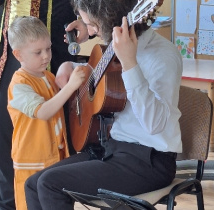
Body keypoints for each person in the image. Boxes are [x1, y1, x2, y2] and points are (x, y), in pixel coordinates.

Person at [24, 0, 183, 209]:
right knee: (33, 184)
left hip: (149, 160)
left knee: (50, 184)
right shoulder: (113, 50)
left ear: (110, 18)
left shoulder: (162, 56)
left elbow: (154, 125)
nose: (89, 31)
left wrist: (130, 65)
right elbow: (97, 76)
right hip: (112, 148)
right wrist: (69, 65)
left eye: (92, 24)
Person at [0, 1, 89, 209]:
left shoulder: (49, 68)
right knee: (9, 153)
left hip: (58, 52)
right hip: (15, 56)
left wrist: (89, 22)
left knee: (60, 150)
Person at [6, 16, 85, 209]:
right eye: (38, 52)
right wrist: (70, 87)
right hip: (31, 162)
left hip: (55, 158)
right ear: (18, 55)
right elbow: (42, 112)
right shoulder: (19, 84)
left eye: (48, 49)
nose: (46, 56)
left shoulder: (48, 77)